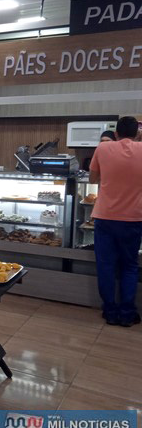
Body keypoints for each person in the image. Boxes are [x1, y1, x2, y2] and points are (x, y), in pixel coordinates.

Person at [90, 116, 142, 327]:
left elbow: (92, 179)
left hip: (105, 217)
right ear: (137, 133)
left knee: (106, 266)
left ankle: (110, 311)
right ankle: (127, 313)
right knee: (129, 265)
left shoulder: (103, 148)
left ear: (116, 133)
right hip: (133, 218)